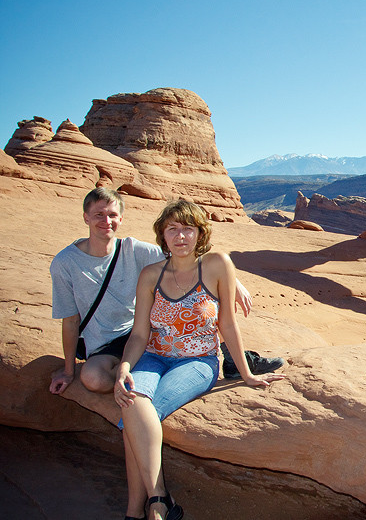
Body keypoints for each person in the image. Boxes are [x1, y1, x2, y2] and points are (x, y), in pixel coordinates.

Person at [115, 199, 286, 520]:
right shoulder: (151, 274)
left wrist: (246, 374)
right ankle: (158, 498)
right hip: (153, 357)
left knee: (137, 417)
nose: (181, 236)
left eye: (188, 229)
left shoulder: (217, 264)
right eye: (172, 229)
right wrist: (125, 366)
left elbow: (228, 325)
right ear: (162, 235)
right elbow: (139, 333)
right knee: (132, 401)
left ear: (200, 233)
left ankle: (134, 511)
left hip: (198, 362)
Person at [49, 187, 283, 397]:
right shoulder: (65, 262)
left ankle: (233, 359)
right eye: (99, 214)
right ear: (86, 217)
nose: (106, 221)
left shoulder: (133, 249)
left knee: (202, 300)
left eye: (112, 215)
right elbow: (70, 320)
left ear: (121, 218)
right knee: (93, 379)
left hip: (144, 332)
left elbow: (187, 257)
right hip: (106, 343)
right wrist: (69, 371)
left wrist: (234, 282)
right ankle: (134, 372)